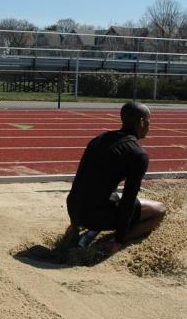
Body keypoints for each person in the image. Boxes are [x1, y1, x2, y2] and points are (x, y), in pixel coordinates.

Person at [65, 102, 166, 255]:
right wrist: (119, 240)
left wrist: (74, 224)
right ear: (142, 122)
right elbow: (128, 199)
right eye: (149, 121)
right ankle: (110, 242)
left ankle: (82, 231)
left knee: (105, 193)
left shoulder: (99, 139)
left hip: (74, 208)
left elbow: (81, 180)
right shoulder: (138, 154)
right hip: (93, 216)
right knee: (160, 210)